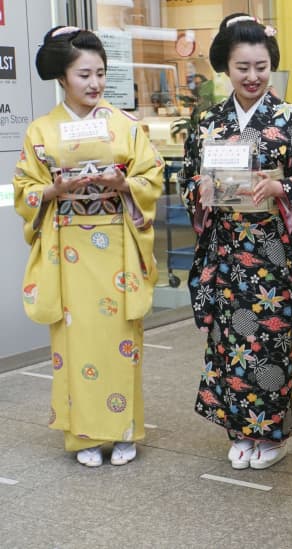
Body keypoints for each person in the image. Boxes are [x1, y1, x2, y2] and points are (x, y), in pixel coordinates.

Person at [13, 26, 163, 467]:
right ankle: (81, 434)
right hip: (68, 251)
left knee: (121, 340)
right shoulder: (42, 130)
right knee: (75, 342)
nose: (95, 83)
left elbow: (151, 178)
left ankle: (125, 431)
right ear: (62, 77)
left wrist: (124, 182)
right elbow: (25, 189)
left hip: (117, 242)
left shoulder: (125, 124)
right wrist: (53, 191)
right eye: (84, 74)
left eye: (100, 73)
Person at [182, 13, 292, 469]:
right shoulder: (208, 121)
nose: (253, 76)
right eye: (243, 67)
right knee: (230, 342)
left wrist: (283, 188)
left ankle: (273, 435)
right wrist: (199, 192)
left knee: (271, 343)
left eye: (261, 66)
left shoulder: (291, 119)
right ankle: (239, 429)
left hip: (271, 254)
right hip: (225, 252)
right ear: (226, 67)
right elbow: (187, 179)